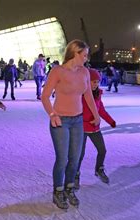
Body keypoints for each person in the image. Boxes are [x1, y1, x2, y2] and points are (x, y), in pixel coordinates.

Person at [41, 39, 100, 209]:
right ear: (75, 53)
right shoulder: (58, 71)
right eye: (84, 55)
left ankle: (69, 188)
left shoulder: (85, 72)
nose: (86, 58)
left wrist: (96, 115)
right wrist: (52, 114)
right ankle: (58, 191)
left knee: (75, 159)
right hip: (61, 120)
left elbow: (88, 95)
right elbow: (45, 96)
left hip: (78, 120)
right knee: (62, 159)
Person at [75, 68, 116, 190]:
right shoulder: (80, 95)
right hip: (82, 128)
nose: (96, 84)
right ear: (86, 81)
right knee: (79, 154)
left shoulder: (98, 94)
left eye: (97, 82)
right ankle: (75, 175)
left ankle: (99, 169)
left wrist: (111, 121)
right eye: (93, 81)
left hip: (95, 128)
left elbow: (101, 110)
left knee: (102, 150)